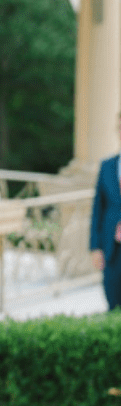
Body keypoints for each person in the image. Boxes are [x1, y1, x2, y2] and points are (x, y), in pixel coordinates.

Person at [90, 114, 121, 310]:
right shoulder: (107, 166)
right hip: (112, 249)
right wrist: (95, 247)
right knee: (113, 302)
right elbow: (97, 210)